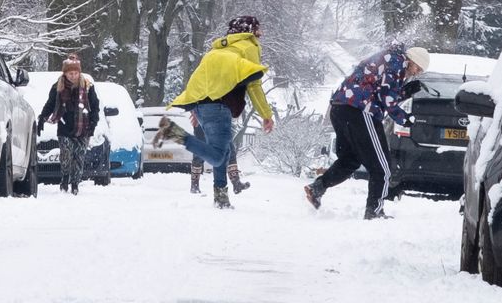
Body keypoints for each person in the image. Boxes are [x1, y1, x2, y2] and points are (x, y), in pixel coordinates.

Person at [154, 15, 274, 209]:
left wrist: (194, 106)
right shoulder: (249, 46)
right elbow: (254, 84)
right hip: (219, 107)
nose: (261, 34)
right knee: (218, 156)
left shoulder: (216, 50)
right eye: (259, 30)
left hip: (203, 105)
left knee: (223, 152)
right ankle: (173, 132)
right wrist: (266, 115)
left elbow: (202, 80)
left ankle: (221, 198)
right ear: (251, 31)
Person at [303, 43, 429, 219]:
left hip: (340, 108)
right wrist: (404, 119)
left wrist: (404, 92)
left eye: (420, 71)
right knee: (382, 167)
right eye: (418, 67)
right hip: (360, 111)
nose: (417, 72)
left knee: (350, 159)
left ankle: (317, 188)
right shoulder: (397, 61)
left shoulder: (389, 59)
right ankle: (374, 212)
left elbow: (380, 90)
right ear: (411, 60)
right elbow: (387, 98)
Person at [37, 55, 99, 195]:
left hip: (83, 126)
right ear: (65, 73)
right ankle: (65, 177)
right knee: (66, 154)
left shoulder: (88, 87)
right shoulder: (58, 87)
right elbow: (50, 104)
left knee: (79, 157)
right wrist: (43, 117)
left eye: (76, 73)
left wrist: (94, 122)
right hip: (64, 126)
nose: (73, 76)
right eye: (70, 73)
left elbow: (95, 106)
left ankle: (75, 183)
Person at [188, 111, 249, 195]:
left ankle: (236, 183)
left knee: (230, 150)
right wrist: (195, 112)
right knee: (200, 154)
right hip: (202, 120)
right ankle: (194, 185)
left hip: (219, 120)